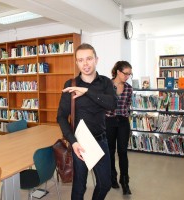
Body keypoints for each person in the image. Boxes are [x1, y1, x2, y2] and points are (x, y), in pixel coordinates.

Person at [57, 43, 117, 200]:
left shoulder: (105, 83)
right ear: (76, 62)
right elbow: (61, 116)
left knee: (105, 183)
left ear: (96, 59)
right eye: (81, 60)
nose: (85, 64)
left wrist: (87, 92)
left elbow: (111, 104)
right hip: (80, 143)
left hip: (100, 140)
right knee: (79, 186)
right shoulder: (71, 85)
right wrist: (73, 142)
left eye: (89, 59)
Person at [105, 61, 133, 195]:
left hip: (123, 122)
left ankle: (125, 181)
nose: (127, 76)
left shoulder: (129, 88)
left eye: (129, 74)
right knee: (110, 151)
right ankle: (112, 177)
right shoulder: (106, 86)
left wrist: (123, 115)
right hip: (109, 121)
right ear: (118, 72)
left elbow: (127, 105)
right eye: (126, 73)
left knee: (122, 152)